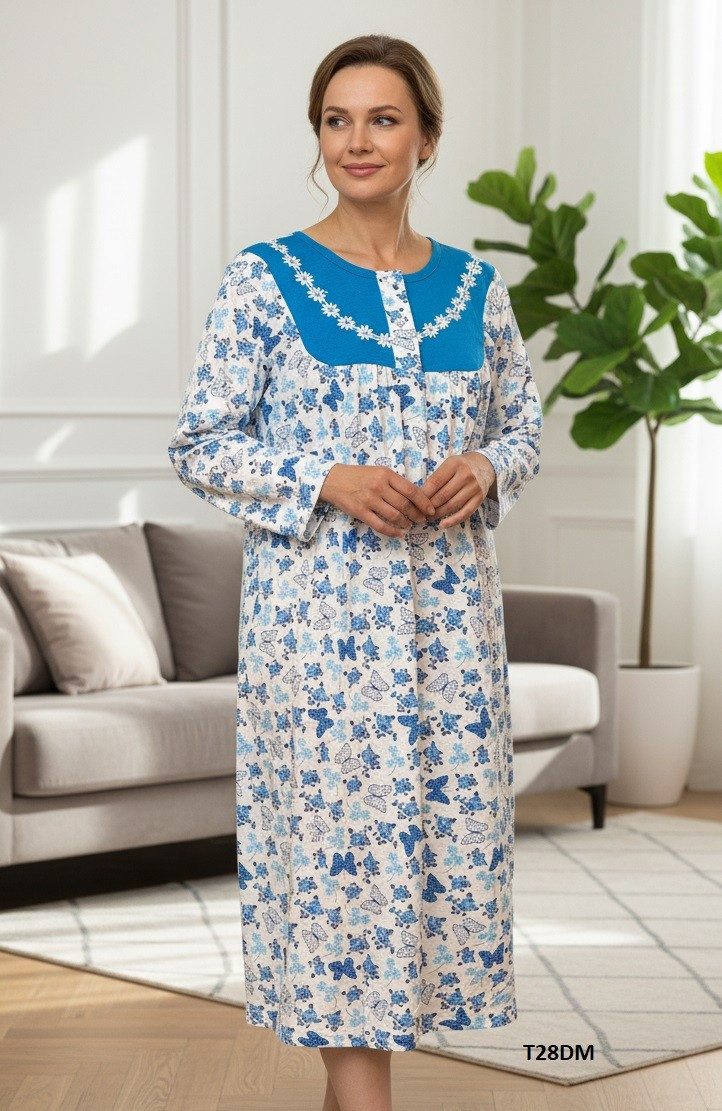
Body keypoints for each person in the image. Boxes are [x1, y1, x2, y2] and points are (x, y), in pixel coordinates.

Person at [168, 33, 543, 1111]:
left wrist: (486, 463)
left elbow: (520, 426)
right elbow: (201, 443)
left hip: (449, 632)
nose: (357, 141)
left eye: (382, 118)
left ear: (427, 136)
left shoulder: (477, 288)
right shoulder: (265, 280)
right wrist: (324, 478)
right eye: (336, 120)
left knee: (431, 859)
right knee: (344, 863)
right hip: (319, 635)